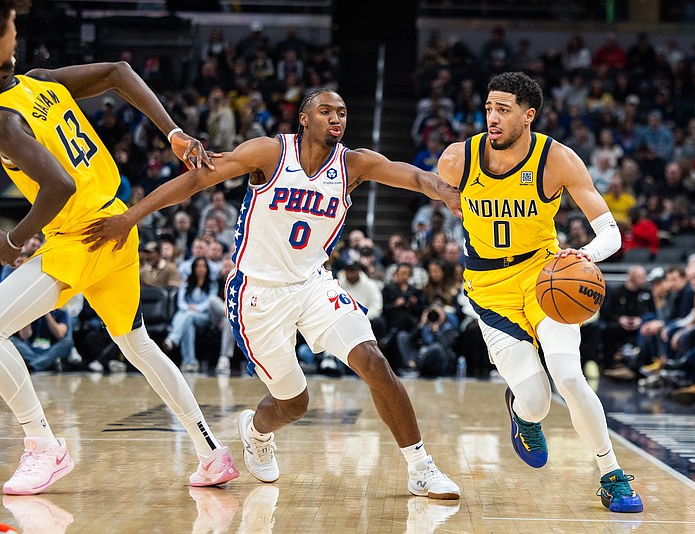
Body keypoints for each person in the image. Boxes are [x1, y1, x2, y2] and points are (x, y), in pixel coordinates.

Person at [84, 88, 461, 500]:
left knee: (373, 362)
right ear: (303, 118)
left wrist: (441, 189)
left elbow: (412, 175)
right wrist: (128, 217)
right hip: (257, 293)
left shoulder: (353, 164)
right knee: (295, 403)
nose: (336, 118)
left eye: (342, 112)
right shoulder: (269, 153)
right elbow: (195, 181)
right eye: (326, 111)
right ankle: (257, 432)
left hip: (314, 285)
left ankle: (420, 467)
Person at [0, 56, 239, 493]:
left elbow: (60, 187)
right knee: (137, 345)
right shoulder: (39, 81)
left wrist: (14, 240)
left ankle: (44, 445)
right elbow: (119, 72)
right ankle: (211, 453)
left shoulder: (2, 121)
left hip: (81, 237)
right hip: (117, 226)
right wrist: (174, 133)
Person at [436, 72, 642, 512]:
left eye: (503, 109)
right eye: (489, 108)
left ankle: (612, 474)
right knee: (537, 402)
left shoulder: (557, 159)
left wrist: (583, 256)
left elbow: (610, 232)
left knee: (570, 377)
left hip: (545, 276)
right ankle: (522, 414)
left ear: (528, 115)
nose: (492, 117)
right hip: (489, 289)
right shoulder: (457, 160)